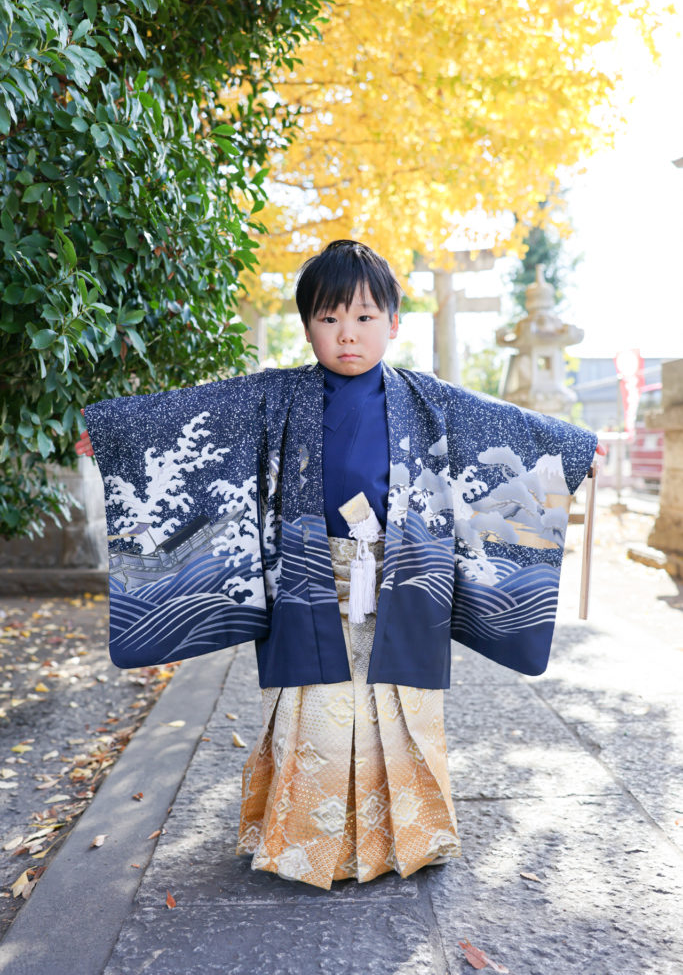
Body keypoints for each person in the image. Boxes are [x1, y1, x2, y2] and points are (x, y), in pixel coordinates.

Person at [76, 239, 603, 890]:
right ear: (307, 327)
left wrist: (575, 451)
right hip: (310, 578)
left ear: (393, 323)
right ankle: (303, 843)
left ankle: (404, 838)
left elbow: (502, 425)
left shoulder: (427, 399)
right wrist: (117, 435)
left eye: (362, 318)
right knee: (315, 711)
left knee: (398, 706)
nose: (346, 335)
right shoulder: (276, 398)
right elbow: (201, 412)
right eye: (327, 320)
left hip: (402, 576)